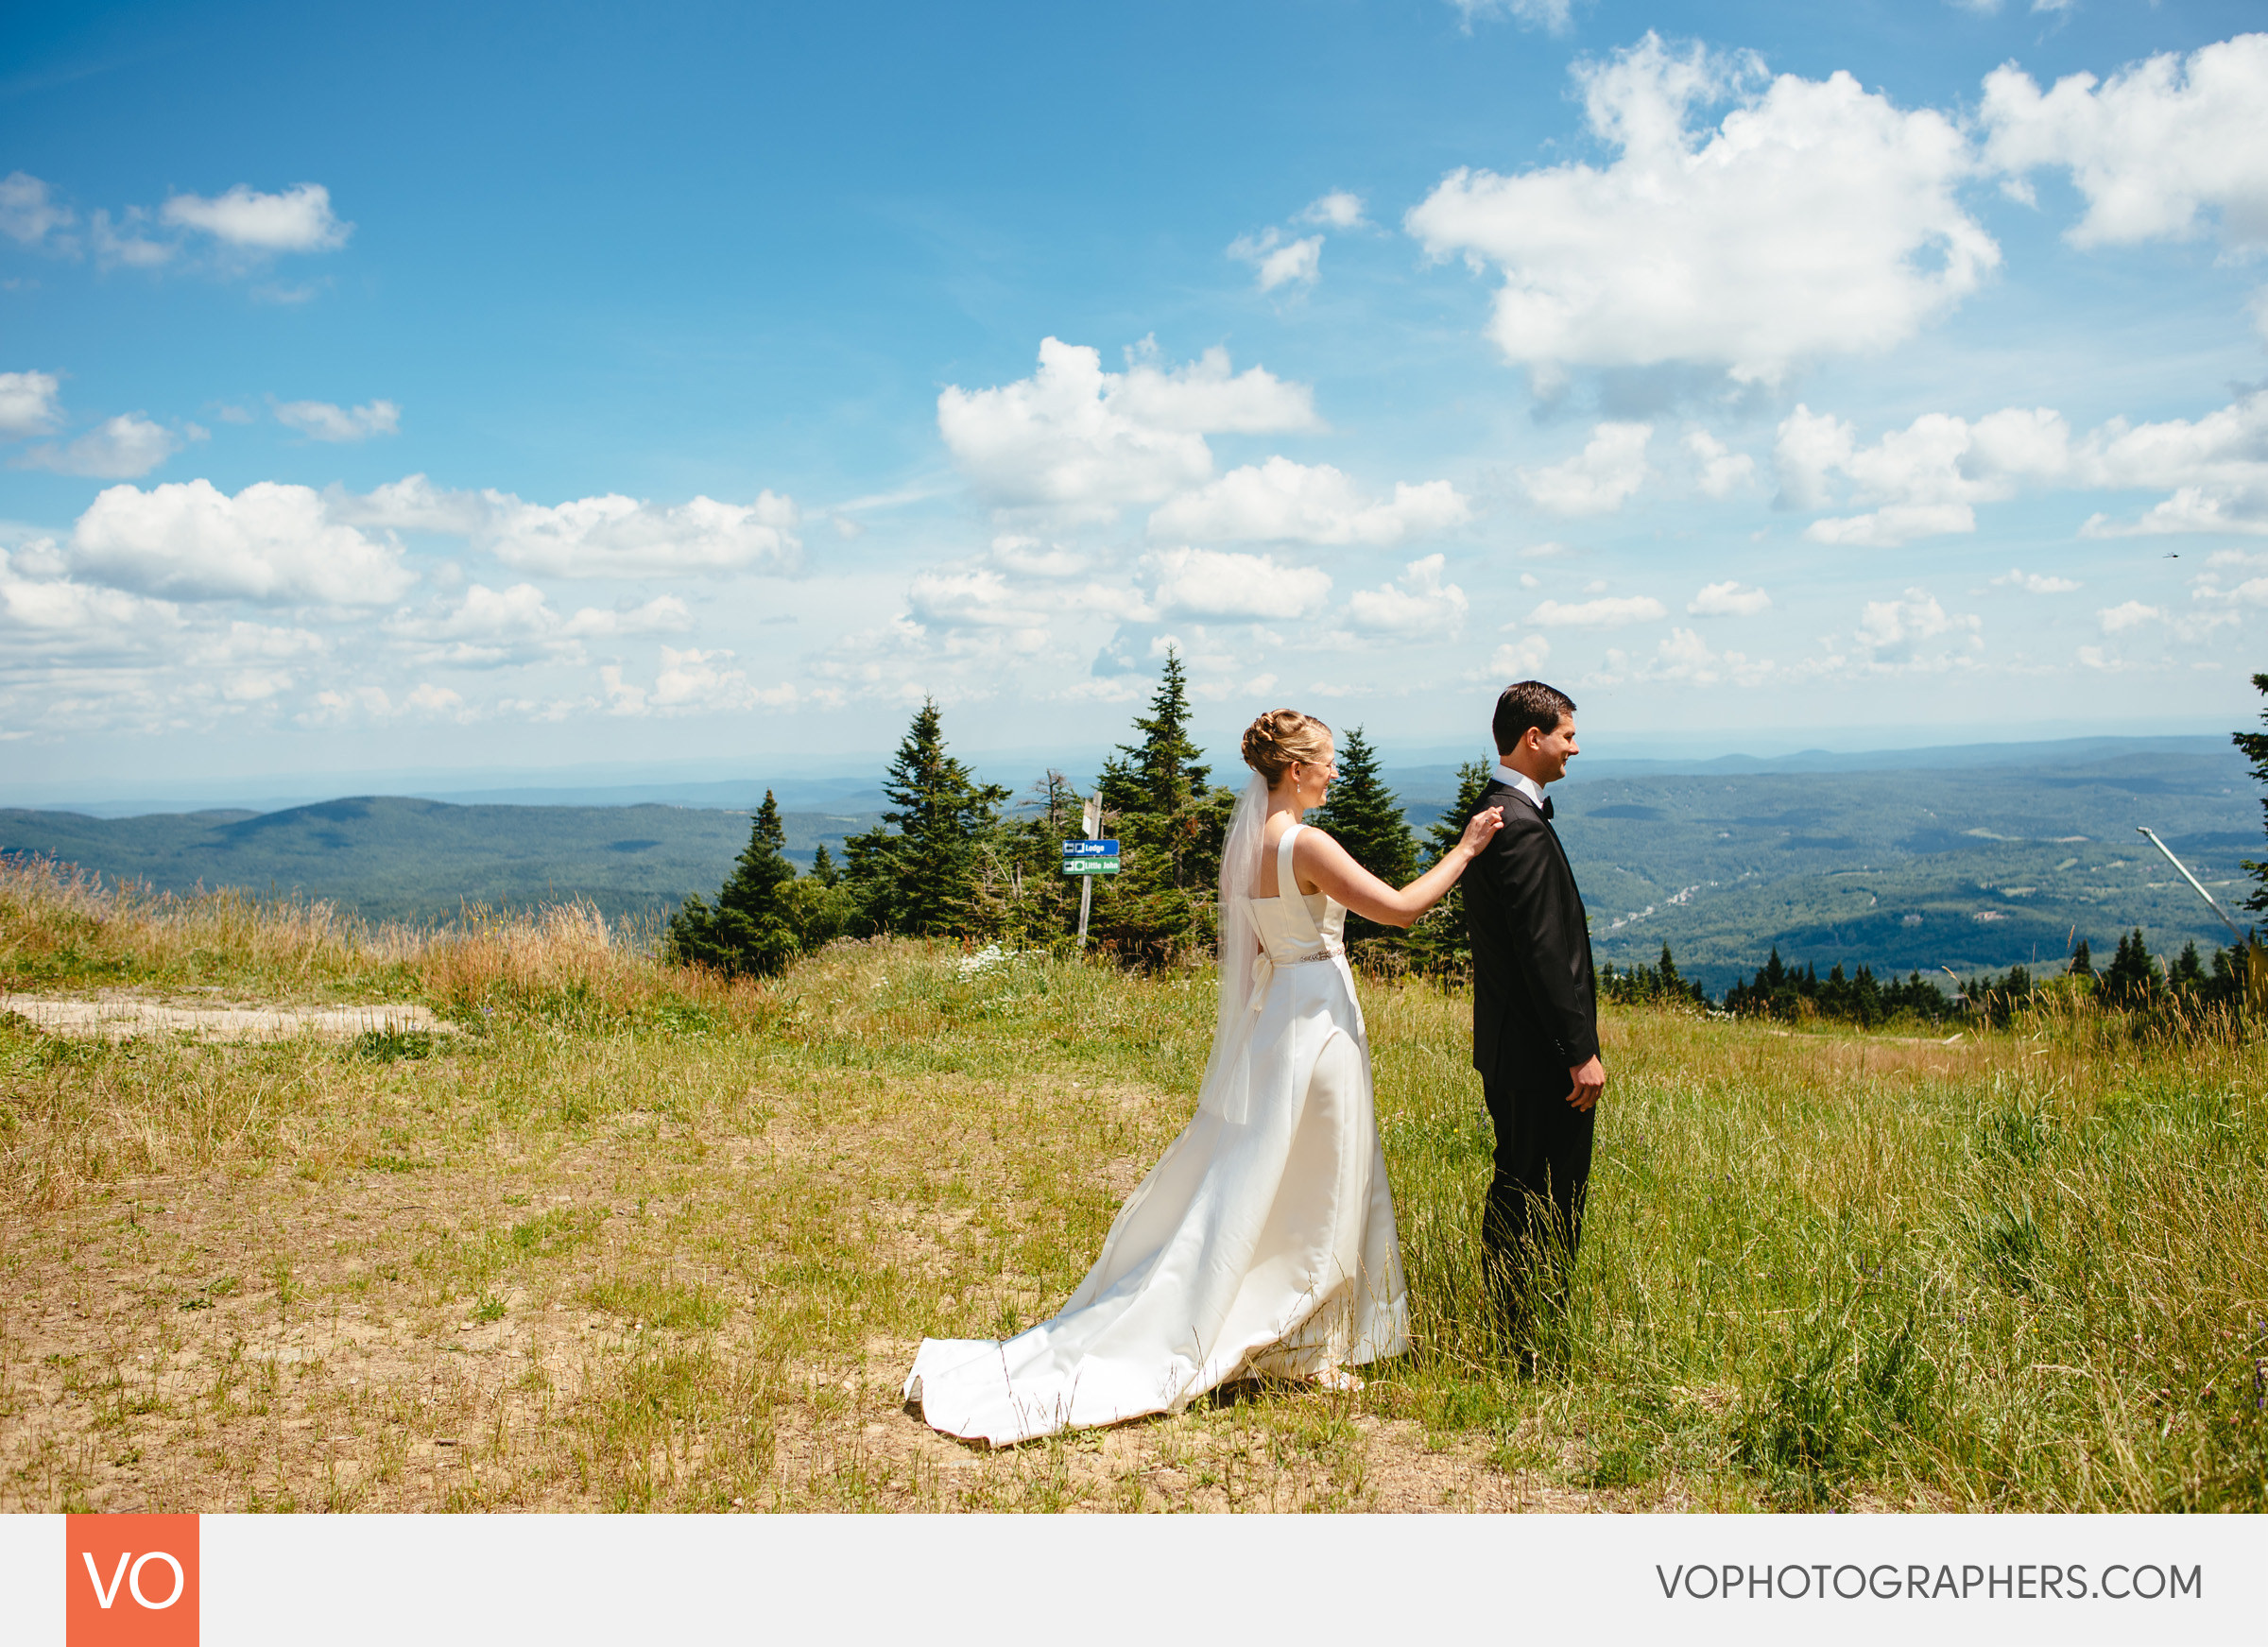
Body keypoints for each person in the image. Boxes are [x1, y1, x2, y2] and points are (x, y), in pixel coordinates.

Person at [903, 709, 1503, 1447]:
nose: (1334, 772)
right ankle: (1302, 1339)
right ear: (1294, 769)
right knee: (1328, 1173)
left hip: (1278, 1013)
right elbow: (1402, 910)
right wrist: (1467, 848)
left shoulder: (1253, 843)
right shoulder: (1306, 843)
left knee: (1276, 1174)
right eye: (1325, 762)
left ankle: (1297, 1332)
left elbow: (1253, 951)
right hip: (1317, 1018)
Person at [1461, 679, 1602, 1360]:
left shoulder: (1499, 812)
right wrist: (1579, 1050)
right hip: (1541, 1056)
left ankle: (1519, 1326)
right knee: (1544, 1194)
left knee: (1520, 1182)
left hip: (1515, 1047)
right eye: (1567, 734)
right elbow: (1543, 949)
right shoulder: (1515, 823)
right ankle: (1530, 1336)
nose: (1576, 746)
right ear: (1533, 737)